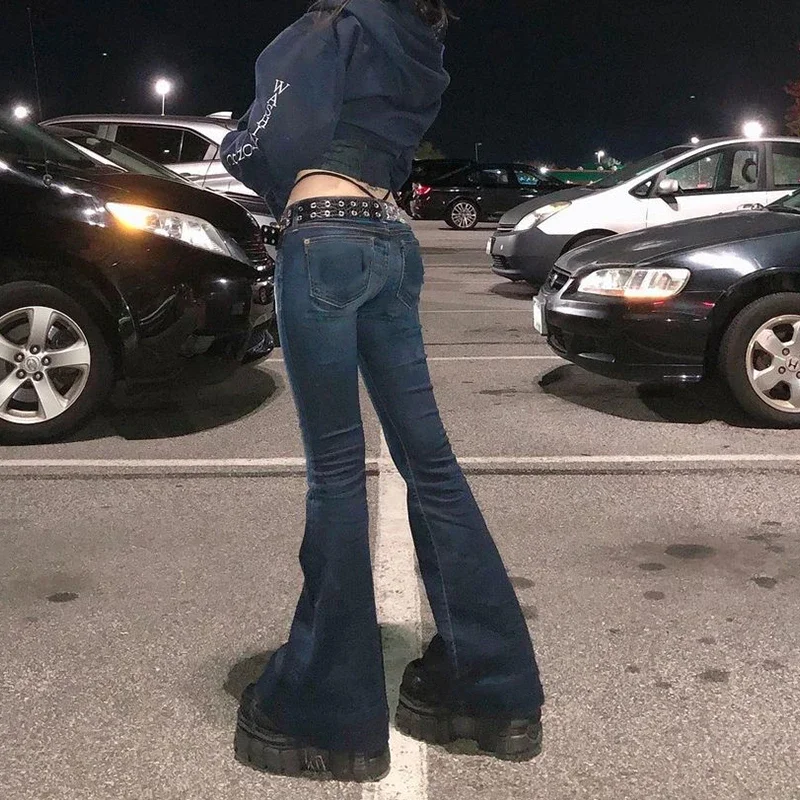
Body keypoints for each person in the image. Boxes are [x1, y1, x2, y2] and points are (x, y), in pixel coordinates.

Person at [221, 0, 544, 783]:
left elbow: (271, 137)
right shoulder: (420, 40)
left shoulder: (332, 24)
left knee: (335, 475)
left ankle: (329, 711)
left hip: (324, 238)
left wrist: (236, 145)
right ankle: (493, 687)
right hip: (391, 240)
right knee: (430, 463)